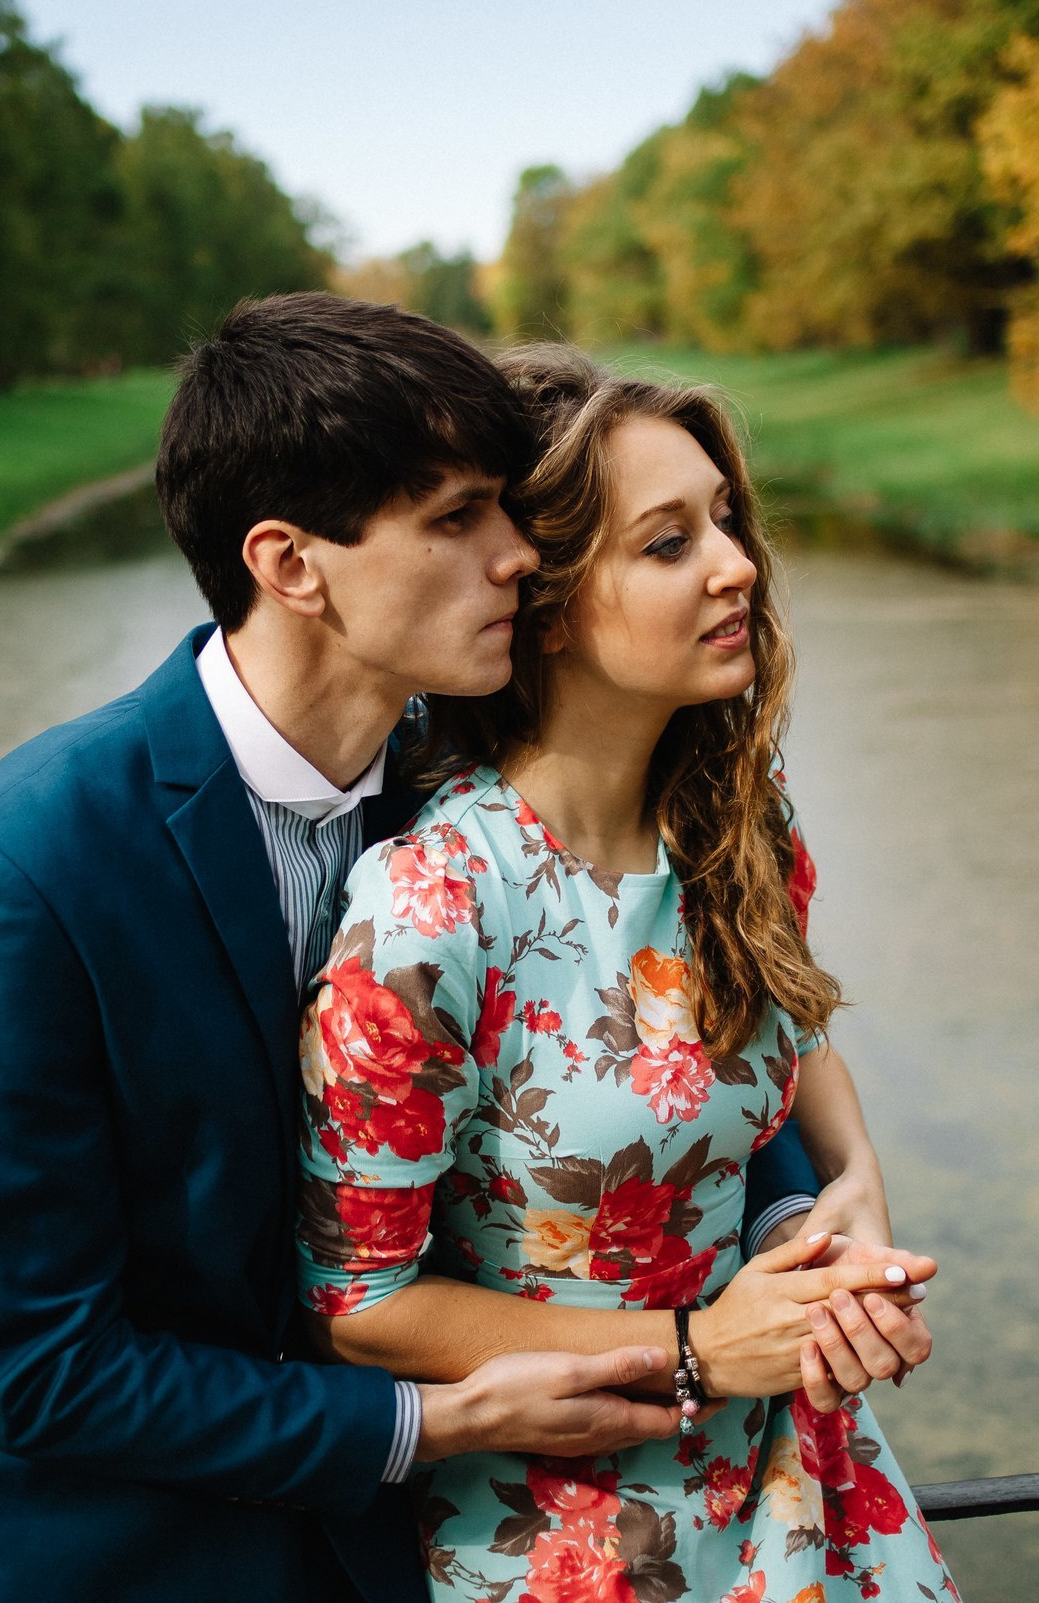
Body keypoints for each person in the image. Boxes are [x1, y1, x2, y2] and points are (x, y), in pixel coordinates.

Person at [0, 296, 905, 1603]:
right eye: (459, 517)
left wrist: (804, 1208)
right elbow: (44, 1366)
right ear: (292, 564)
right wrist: (435, 1421)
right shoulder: (24, 870)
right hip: (107, 1545)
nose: (519, 554)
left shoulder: (461, 789)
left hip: (397, 1547)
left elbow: (657, 1050)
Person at [295, 344, 960, 1601]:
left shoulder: (734, 820)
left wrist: (849, 1195)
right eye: (668, 544)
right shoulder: (434, 909)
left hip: (798, 1482)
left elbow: (787, 1021)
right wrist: (701, 1347)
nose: (737, 566)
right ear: (542, 602)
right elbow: (362, 1304)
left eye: (724, 520)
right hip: (567, 1528)